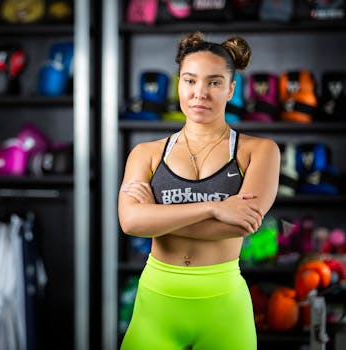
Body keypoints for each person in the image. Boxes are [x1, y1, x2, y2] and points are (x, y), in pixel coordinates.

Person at [118, 32, 280, 350]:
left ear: (231, 89)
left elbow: (240, 224)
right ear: (179, 84)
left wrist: (156, 215)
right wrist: (214, 208)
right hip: (157, 304)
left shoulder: (259, 151)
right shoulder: (145, 153)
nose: (199, 93)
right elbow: (131, 224)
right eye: (190, 81)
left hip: (223, 306)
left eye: (214, 82)